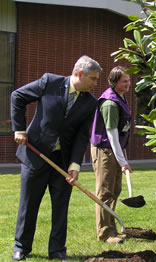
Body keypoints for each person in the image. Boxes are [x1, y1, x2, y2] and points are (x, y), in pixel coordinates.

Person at [10, 55, 102, 260]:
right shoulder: (49, 82)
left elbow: (82, 136)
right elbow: (18, 96)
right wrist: (19, 130)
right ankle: (21, 247)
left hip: (63, 160)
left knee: (61, 206)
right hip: (36, 154)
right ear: (80, 74)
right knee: (29, 203)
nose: (96, 84)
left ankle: (57, 250)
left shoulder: (90, 103)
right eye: (93, 79)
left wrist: (75, 164)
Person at [90, 66, 132, 245]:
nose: (128, 84)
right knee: (105, 192)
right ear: (115, 83)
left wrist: (123, 157)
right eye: (124, 81)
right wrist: (123, 161)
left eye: (129, 80)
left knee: (115, 190)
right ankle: (105, 233)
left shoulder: (121, 97)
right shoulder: (109, 103)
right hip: (105, 150)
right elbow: (112, 135)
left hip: (115, 149)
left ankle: (112, 228)